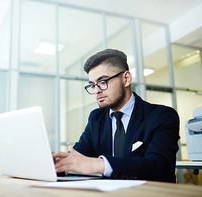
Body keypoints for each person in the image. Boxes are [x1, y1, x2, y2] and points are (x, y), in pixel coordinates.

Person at [53, 49, 180, 183]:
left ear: (126, 79)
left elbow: (159, 166)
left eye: (102, 81)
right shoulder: (96, 118)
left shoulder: (162, 116)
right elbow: (79, 155)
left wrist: (98, 164)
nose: (96, 90)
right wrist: (57, 161)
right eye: (92, 85)